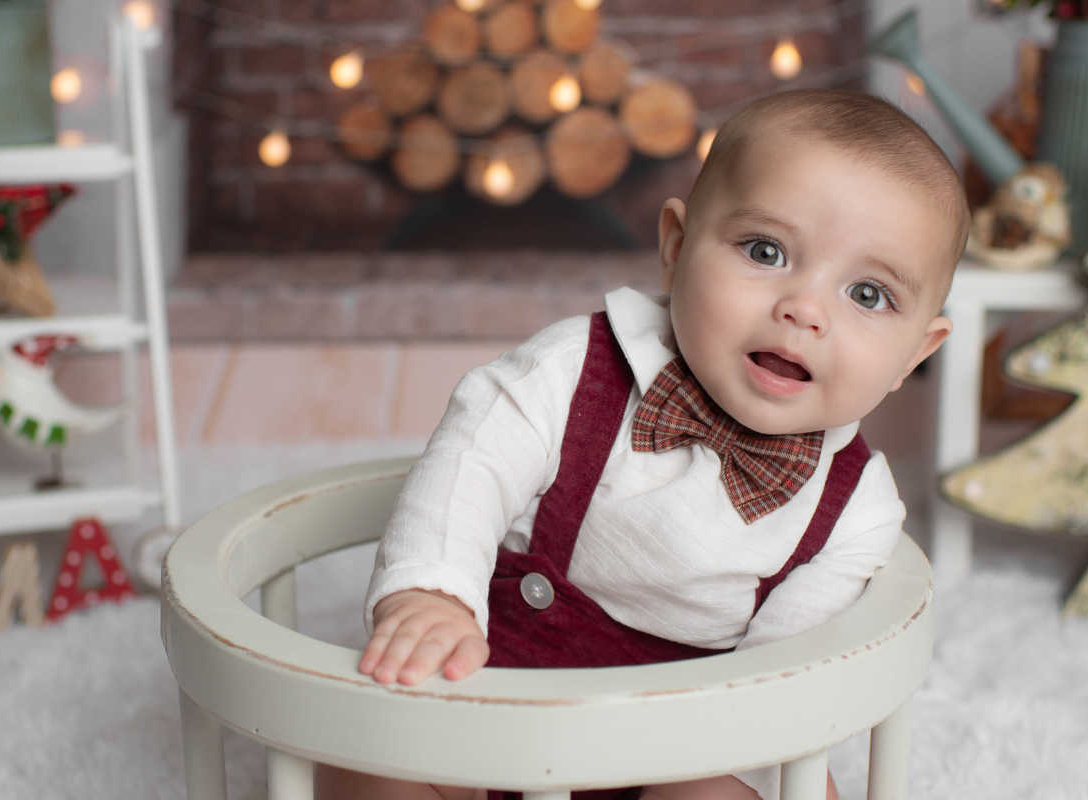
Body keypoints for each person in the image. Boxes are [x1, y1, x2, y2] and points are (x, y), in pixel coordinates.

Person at [317, 89, 969, 800]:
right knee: (368, 751)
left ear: (916, 353)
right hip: (488, 707)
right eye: (765, 250)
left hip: (671, 755)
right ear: (676, 249)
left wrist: (774, 764)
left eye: (868, 295)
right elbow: (466, 466)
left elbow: (783, 680)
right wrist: (431, 593)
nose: (804, 310)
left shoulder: (857, 511)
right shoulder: (570, 369)